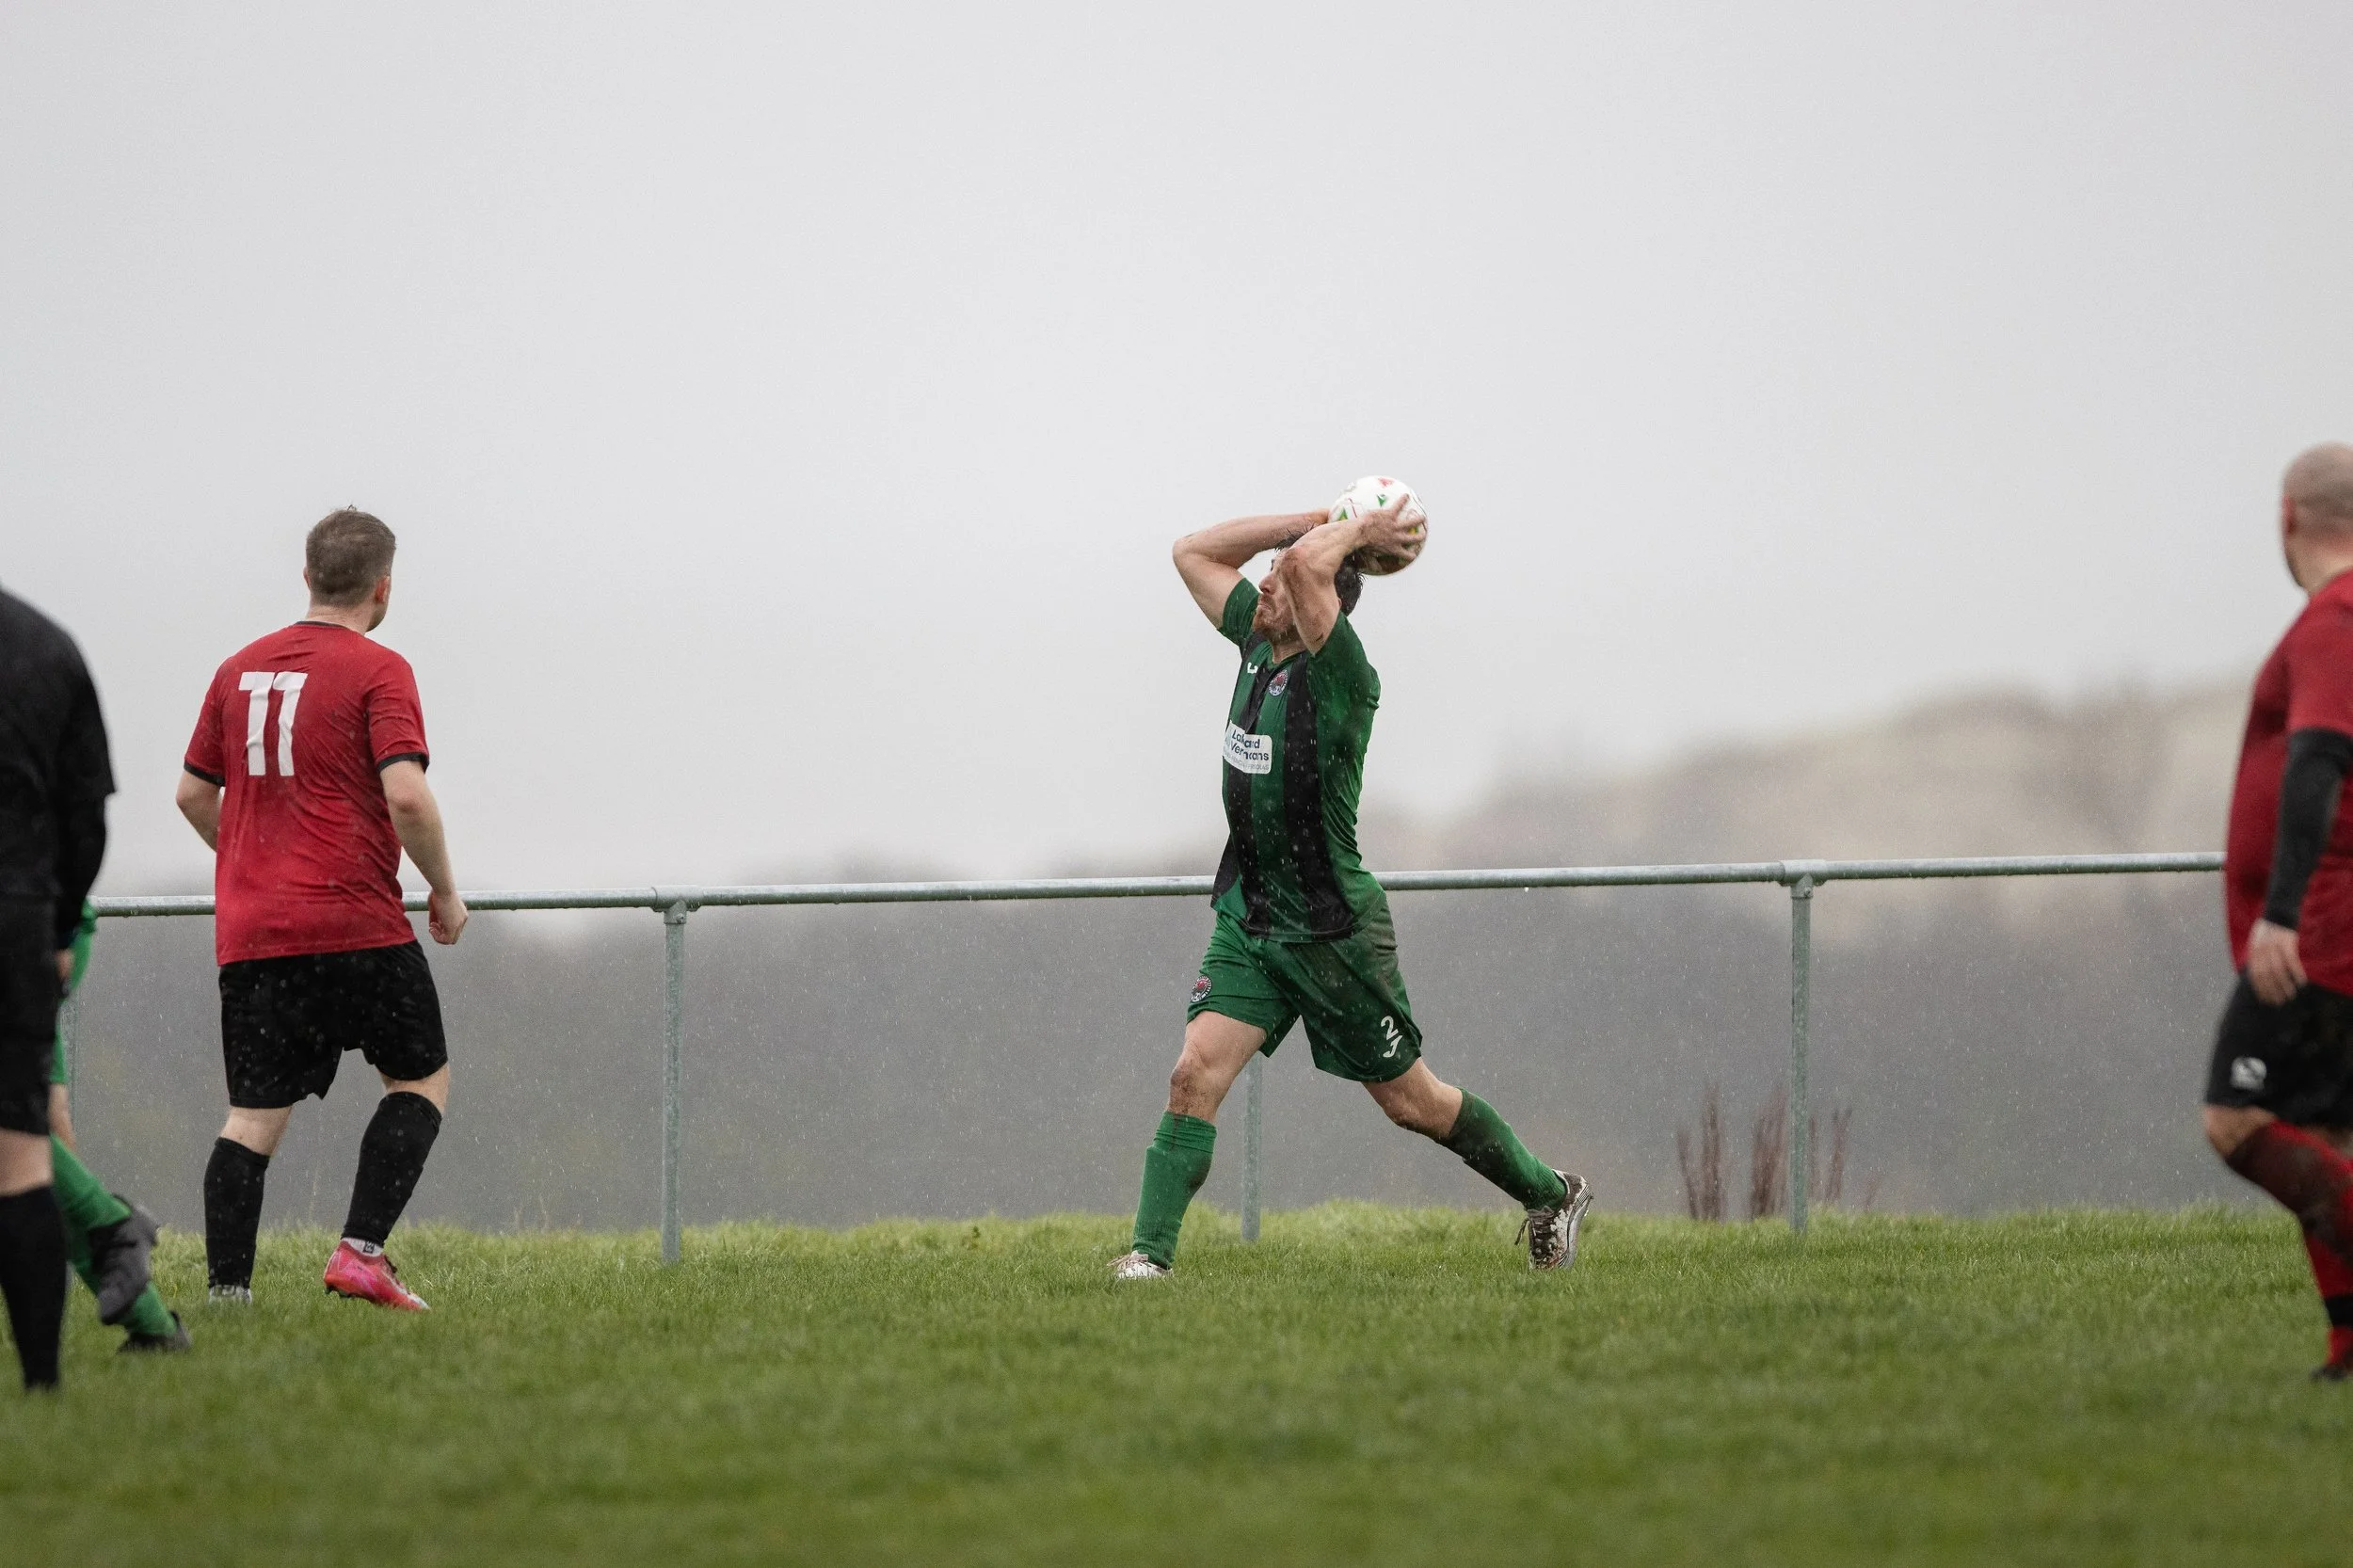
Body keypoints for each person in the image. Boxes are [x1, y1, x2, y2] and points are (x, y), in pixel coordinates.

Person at [1110, 501, 1593, 1281]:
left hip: (1333, 932)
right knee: (1192, 1075)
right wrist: (1308, 517)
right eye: (1267, 576)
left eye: (1279, 581)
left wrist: (1357, 531)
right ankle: (1148, 1260)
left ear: (1317, 605)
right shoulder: (1258, 644)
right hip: (1254, 921)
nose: (1262, 587)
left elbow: (1305, 571)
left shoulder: (1342, 677)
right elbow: (1192, 551)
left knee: (1414, 1105)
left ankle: (1551, 1193)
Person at [176, 508, 468, 1312]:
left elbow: (194, 794)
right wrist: (442, 888)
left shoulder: (236, 669)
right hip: (357, 924)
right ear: (383, 587)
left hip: (255, 935)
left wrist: (254, 865)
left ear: (306, 577)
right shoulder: (380, 669)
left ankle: (227, 1296)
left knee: (252, 1117)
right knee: (418, 1080)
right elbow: (406, 793)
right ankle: (360, 1253)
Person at [2204, 441, 2353, 1382]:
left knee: (2237, 1117)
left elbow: (2316, 761)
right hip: (2333, 922)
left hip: (2320, 930)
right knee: (2328, 1134)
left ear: (2286, 519)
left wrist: (2282, 915)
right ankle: (2349, 1347)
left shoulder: (2334, 620)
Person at [0, 584, 113, 1389]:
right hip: (14, 923)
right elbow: (87, 819)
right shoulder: (45, 646)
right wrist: (60, 923)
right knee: (21, 1159)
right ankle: (42, 1381)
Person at [50, 902, 189, 1351]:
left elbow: (79, 832)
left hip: (36, 928)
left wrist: (60, 929)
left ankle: (112, 1227)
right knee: (41, 1132)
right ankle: (154, 1329)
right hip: (33, 924)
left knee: (20, 1132)